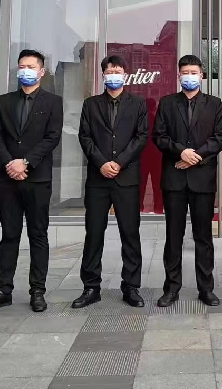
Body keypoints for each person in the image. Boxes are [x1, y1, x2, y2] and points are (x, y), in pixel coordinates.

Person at [0, 49, 63, 313]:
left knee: (38, 235)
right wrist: (10, 163)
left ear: (41, 72)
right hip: (8, 179)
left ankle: (37, 291)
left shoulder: (53, 102)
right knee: (9, 235)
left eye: (31, 66)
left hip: (37, 179)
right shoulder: (5, 101)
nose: (25, 70)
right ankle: (3, 290)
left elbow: (52, 137)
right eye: (22, 66)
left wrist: (25, 162)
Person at [151, 55, 222, 307]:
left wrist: (195, 157)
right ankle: (171, 288)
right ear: (178, 75)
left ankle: (206, 288)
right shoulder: (167, 103)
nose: (189, 76)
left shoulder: (215, 104)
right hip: (174, 178)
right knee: (173, 236)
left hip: (202, 180)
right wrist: (181, 152)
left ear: (201, 76)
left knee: (203, 237)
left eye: (194, 72)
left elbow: (220, 138)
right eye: (185, 72)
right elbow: (159, 136)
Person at [74, 55, 148, 309]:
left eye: (118, 70)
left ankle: (131, 287)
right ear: (103, 75)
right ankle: (90, 287)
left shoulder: (138, 104)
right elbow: (85, 137)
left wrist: (120, 162)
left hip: (126, 178)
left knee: (130, 234)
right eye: (109, 71)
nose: (114, 74)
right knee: (94, 234)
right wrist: (101, 163)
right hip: (98, 179)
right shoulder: (91, 104)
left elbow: (141, 136)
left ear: (125, 75)